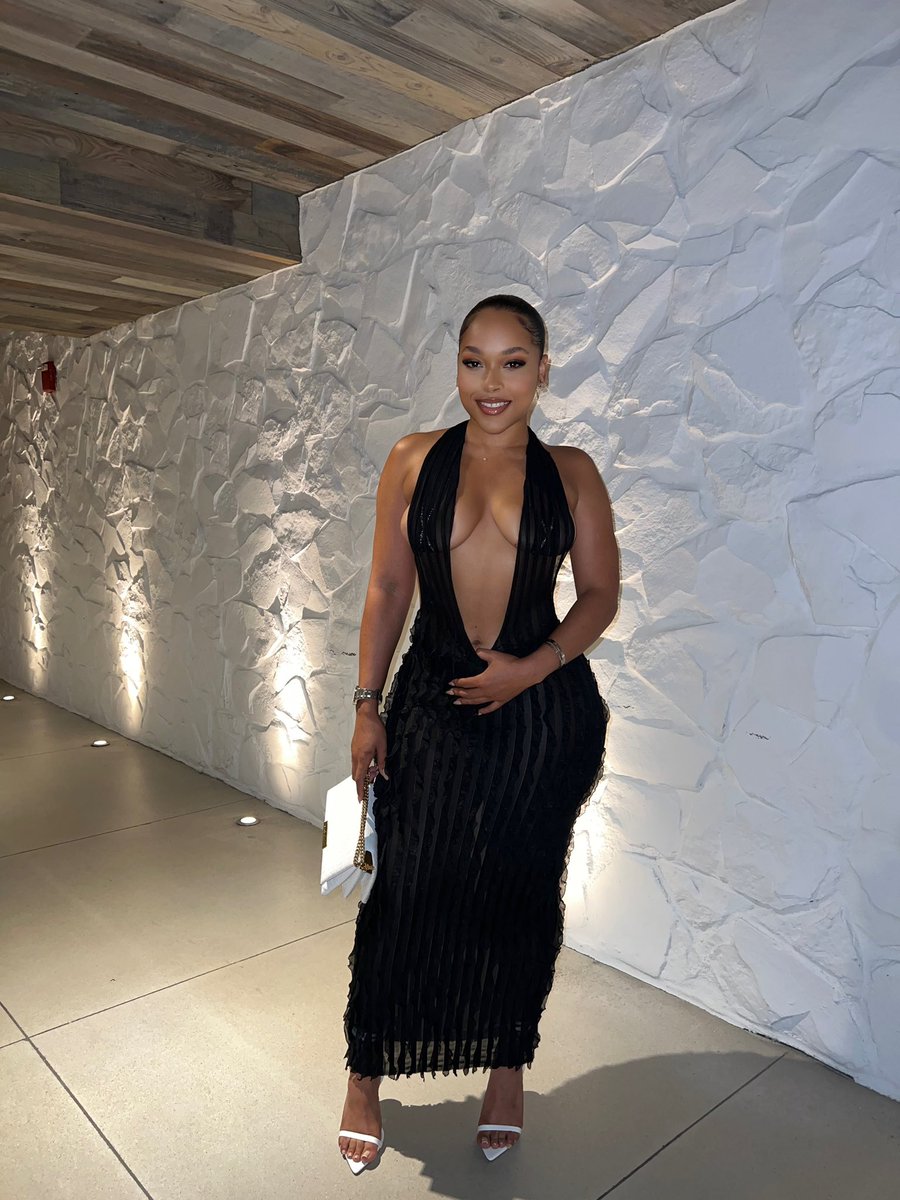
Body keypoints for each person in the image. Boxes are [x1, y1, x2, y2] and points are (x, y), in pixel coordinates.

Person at [337, 294, 619, 1171]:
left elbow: (601, 595)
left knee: (518, 894)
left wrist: (531, 668)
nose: (490, 382)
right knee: (404, 890)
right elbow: (389, 589)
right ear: (457, 366)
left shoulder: (572, 472)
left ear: (543, 370)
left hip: (541, 721)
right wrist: (367, 704)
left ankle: (506, 1069)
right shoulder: (413, 458)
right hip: (431, 703)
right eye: (473, 361)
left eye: (512, 362)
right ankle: (364, 1071)